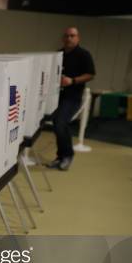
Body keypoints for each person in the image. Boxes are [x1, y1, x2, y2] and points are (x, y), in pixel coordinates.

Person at [47, 27, 95, 171]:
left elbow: (91, 74)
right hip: (56, 97)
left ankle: (67, 155)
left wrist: (72, 81)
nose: (69, 38)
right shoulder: (58, 54)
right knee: (56, 123)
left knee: (61, 122)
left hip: (73, 97)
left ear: (78, 38)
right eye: (67, 36)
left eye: (72, 36)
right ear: (63, 38)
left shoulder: (84, 54)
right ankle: (60, 156)